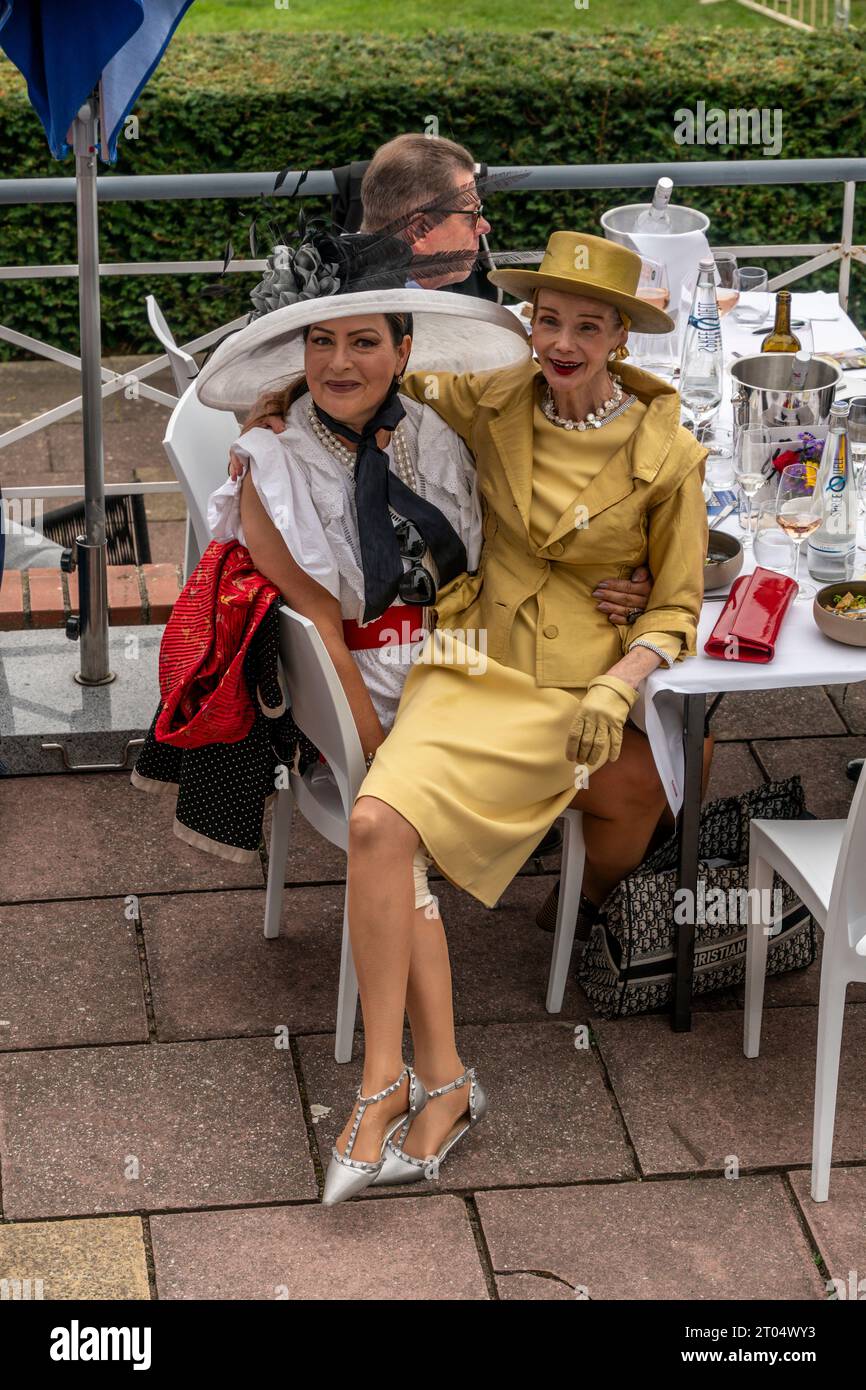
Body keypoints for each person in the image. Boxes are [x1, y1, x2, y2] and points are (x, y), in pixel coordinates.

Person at [317, 231, 708, 1203]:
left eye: (585, 324)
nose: (560, 341)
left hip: (569, 690)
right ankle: (398, 1079)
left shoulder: (668, 455)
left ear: (619, 336)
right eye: (545, 319)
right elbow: (382, 371)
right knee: (374, 822)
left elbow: (675, 608)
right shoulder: (490, 397)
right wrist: (313, 360)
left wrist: (617, 686)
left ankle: (431, 1088)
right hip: (467, 656)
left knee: (618, 788)